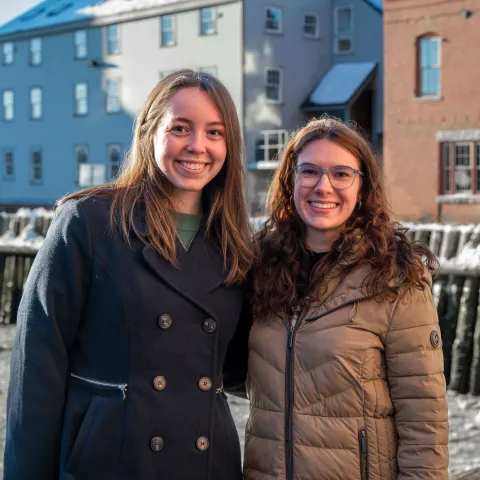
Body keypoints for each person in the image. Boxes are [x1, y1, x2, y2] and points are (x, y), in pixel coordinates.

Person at [5, 69, 255, 480]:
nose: (197, 146)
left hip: (207, 464)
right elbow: (37, 369)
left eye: (215, 132)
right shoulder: (89, 221)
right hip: (109, 462)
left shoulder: (234, 246)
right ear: (149, 132)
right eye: (180, 128)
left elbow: (246, 370)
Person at [244, 117, 449, 480]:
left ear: (362, 186)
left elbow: (425, 421)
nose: (323, 187)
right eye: (309, 172)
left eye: (341, 174)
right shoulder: (260, 266)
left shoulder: (395, 278)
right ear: (291, 178)